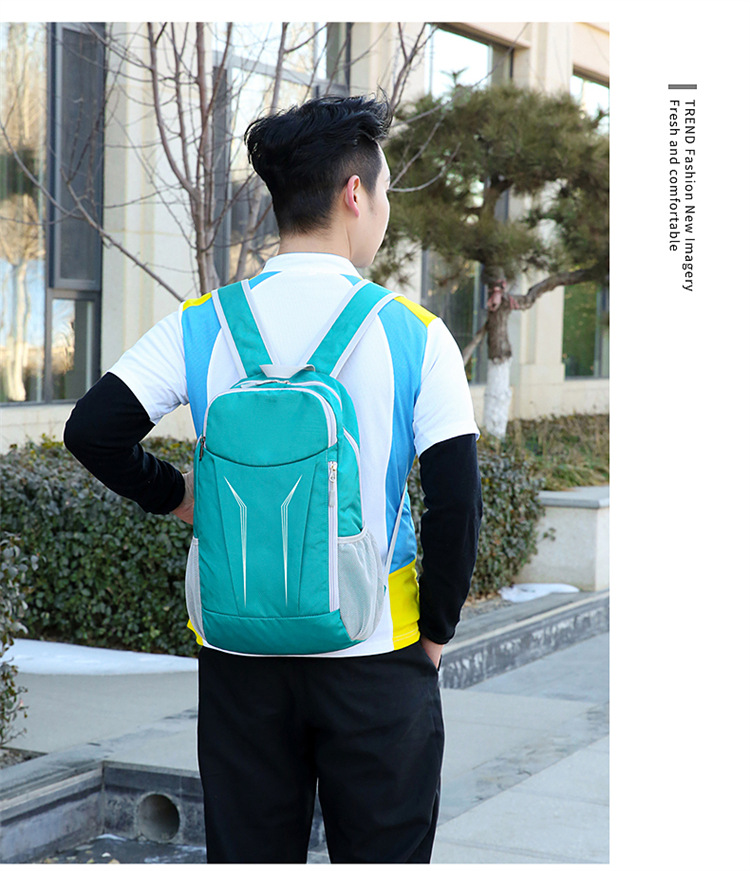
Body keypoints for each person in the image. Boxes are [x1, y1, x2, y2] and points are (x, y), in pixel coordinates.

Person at [64, 94, 482, 864]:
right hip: (376, 657)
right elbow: (457, 505)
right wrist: (435, 635)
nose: (385, 210)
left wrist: (181, 498)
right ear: (354, 194)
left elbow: (91, 429)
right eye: (385, 192)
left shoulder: (198, 323)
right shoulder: (416, 335)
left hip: (240, 663)